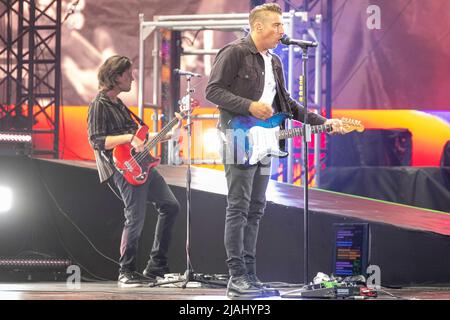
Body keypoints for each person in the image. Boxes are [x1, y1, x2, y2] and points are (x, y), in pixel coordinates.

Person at [205, 3, 345, 299]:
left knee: (257, 208)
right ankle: (236, 276)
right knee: (239, 207)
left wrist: (324, 122)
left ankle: (251, 275)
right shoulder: (234, 53)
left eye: (282, 26)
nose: (282, 31)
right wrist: (249, 105)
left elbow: (288, 104)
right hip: (237, 138)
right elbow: (212, 91)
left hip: (266, 142)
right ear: (258, 27)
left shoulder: (275, 61)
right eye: (277, 25)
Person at [87, 55, 181, 288]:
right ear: (116, 76)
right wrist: (129, 137)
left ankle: (156, 265)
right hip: (122, 168)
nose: (133, 78)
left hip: (141, 163)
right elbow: (96, 140)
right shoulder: (99, 104)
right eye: (129, 74)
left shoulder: (119, 103)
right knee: (135, 217)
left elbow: (138, 139)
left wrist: (169, 133)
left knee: (170, 206)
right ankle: (126, 271)